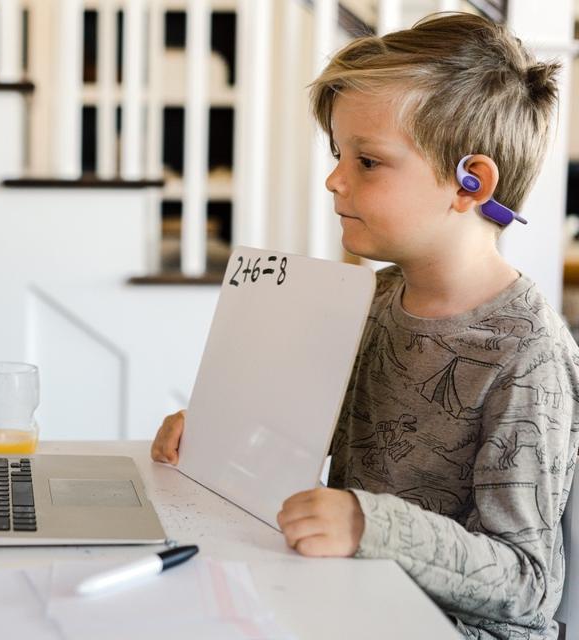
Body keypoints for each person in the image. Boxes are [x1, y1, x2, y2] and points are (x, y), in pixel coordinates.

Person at [151, 12, 579, 639]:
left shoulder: (527, 355)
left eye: (368, 161)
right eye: (338, 154)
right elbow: (304, 436)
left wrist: (368, 526)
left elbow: (527, 583)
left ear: (471, 183)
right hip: (347, 598)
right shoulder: (367, 302)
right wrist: (220, 436)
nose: (334, 179)